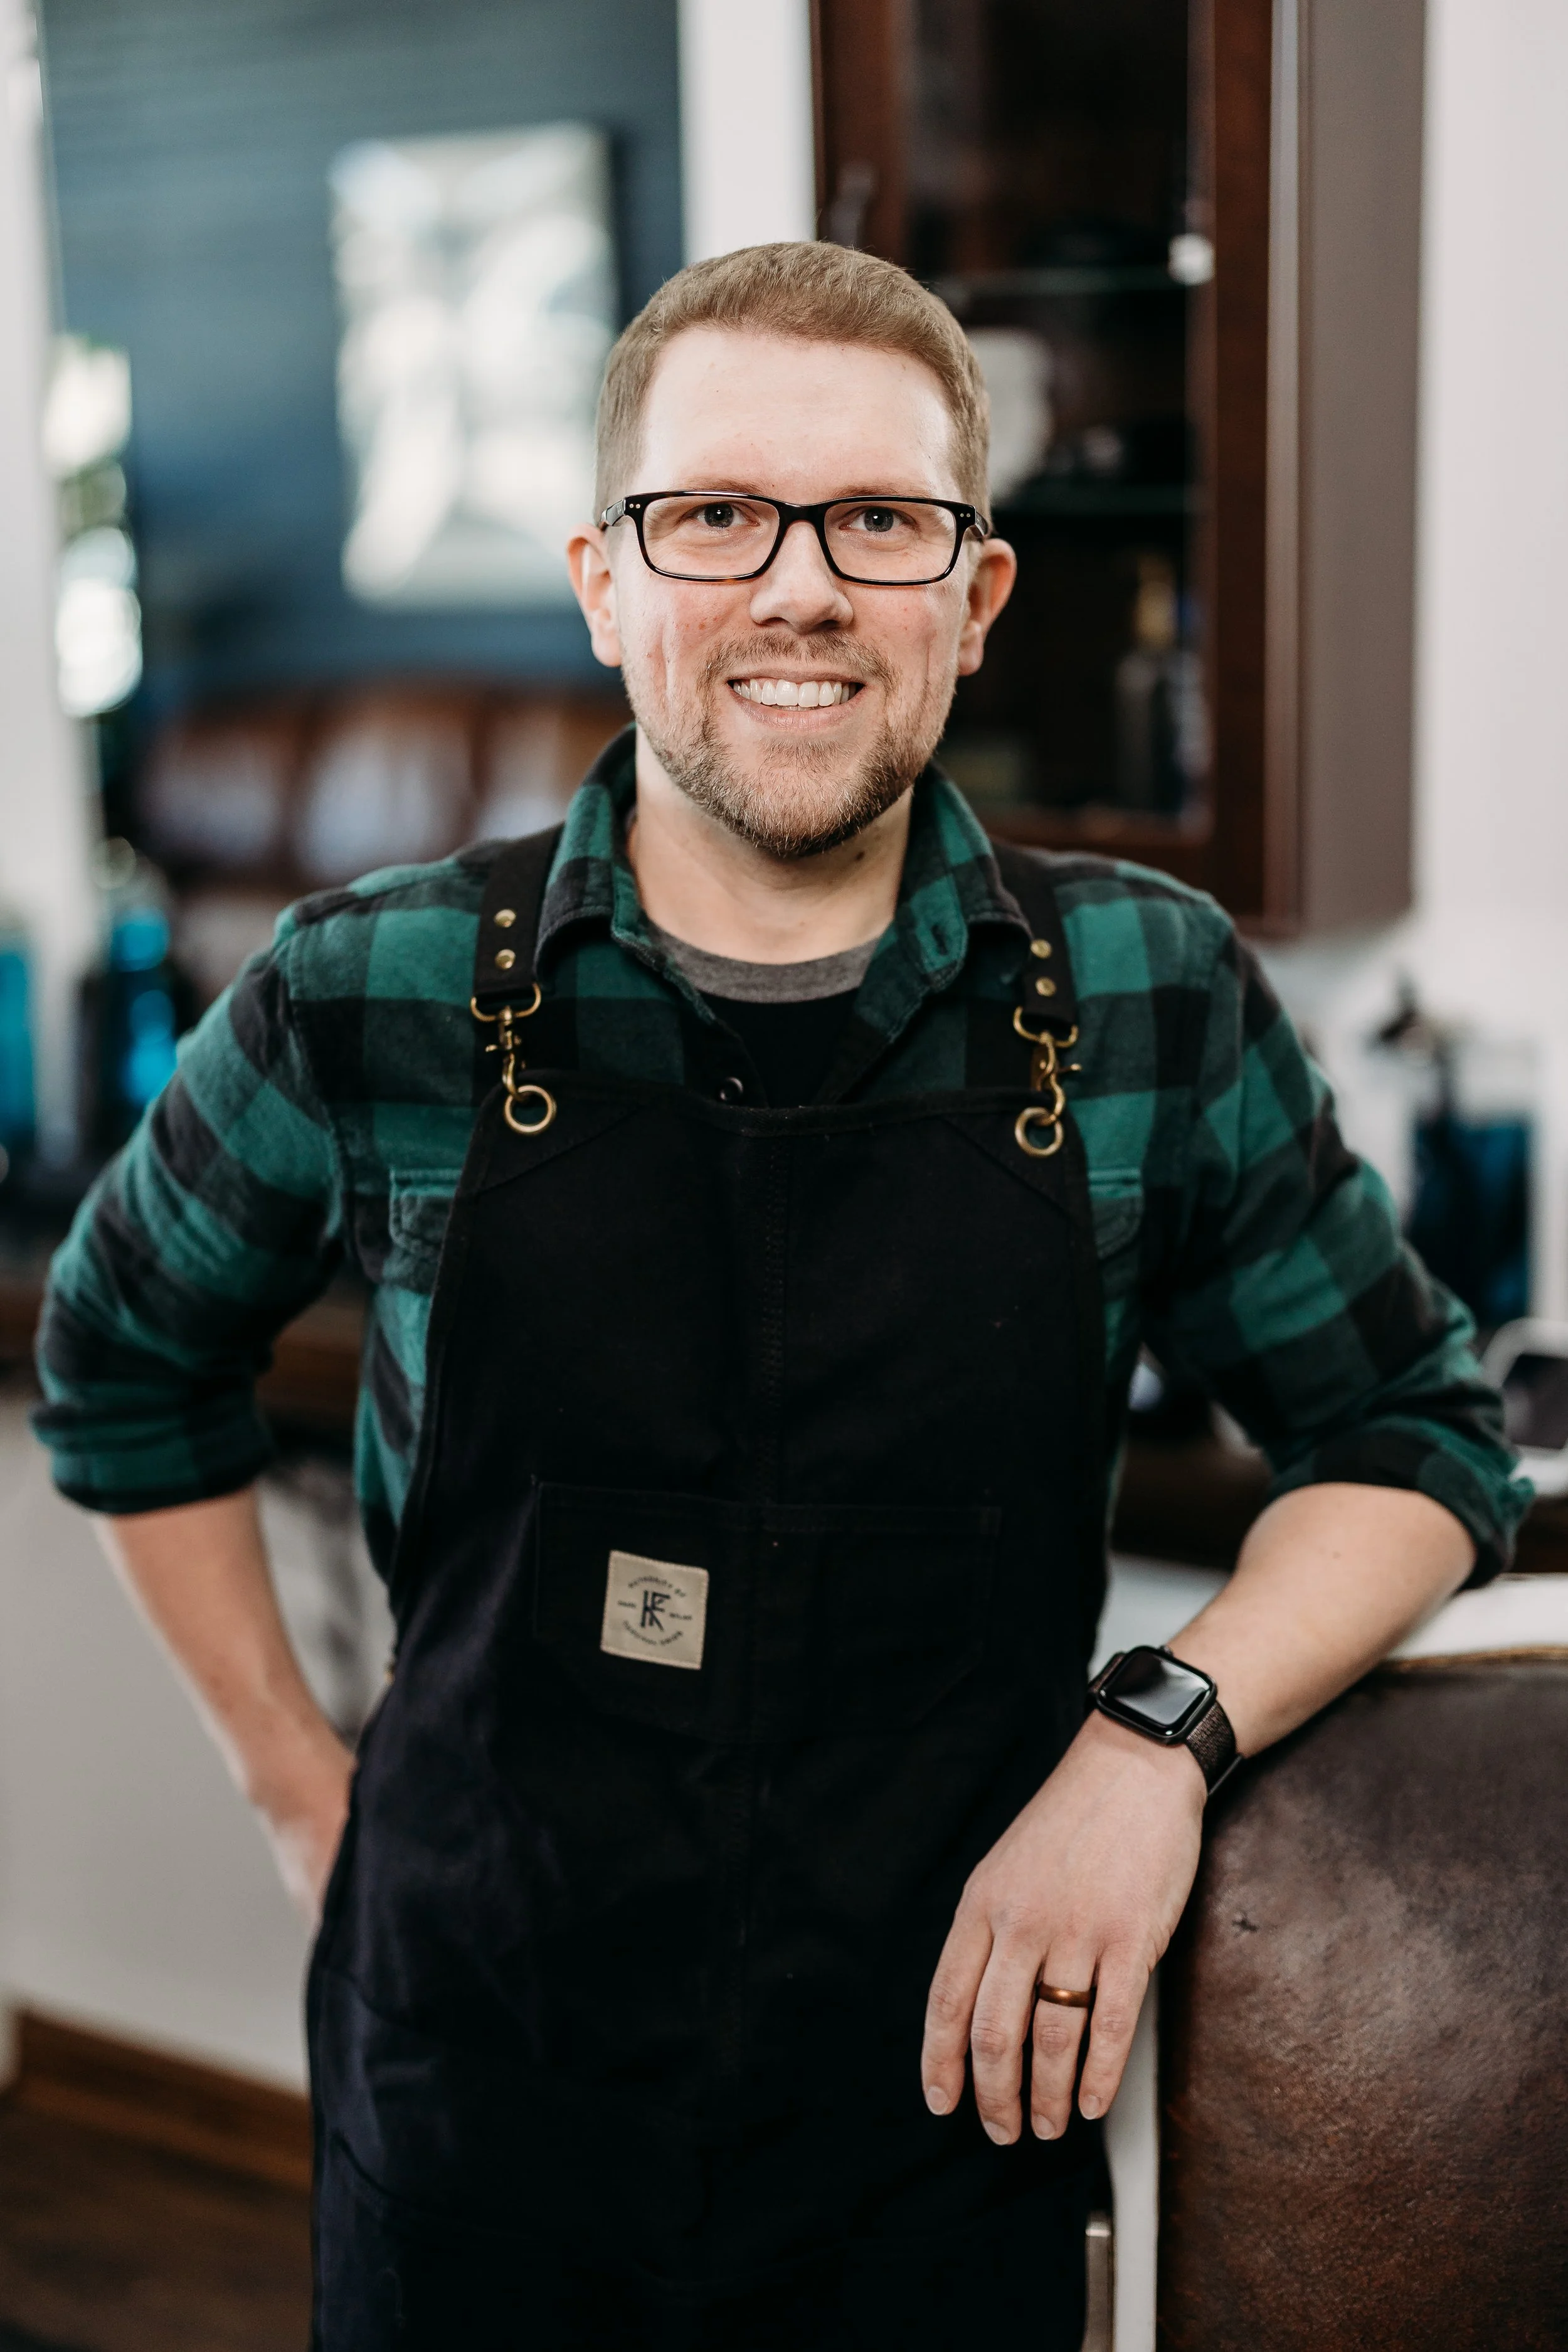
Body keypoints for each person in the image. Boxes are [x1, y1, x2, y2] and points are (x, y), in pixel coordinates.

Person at [35, 243, 1523, 2350]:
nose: (798, 586)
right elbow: (118, 1355)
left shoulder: (1141, 994)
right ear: (605, 581)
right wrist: (294, 1770)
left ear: (974, 594)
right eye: (714, 513)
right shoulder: (369, 987)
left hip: (937, 2117)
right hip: (475, 2099)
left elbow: (1416, 1435)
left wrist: (1151, 1742)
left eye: (880, 521)